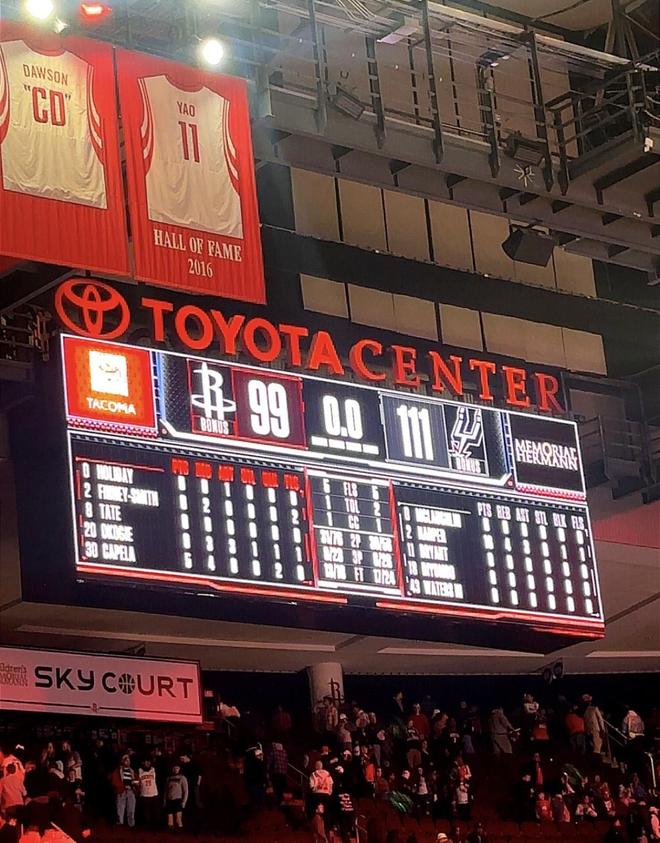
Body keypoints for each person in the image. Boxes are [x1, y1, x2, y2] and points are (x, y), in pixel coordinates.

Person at [111, 754, 137, 827]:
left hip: (130, 791)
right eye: (126, 760)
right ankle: (120, 823)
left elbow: (135, 780)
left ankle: (131, 824)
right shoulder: (118, 770)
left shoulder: (131, 771)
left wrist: (135, 785)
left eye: (129, 760)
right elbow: (114, 781)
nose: (128, 762)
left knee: (131, 808)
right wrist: (122, 786)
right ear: (122, 761)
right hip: (122, 791)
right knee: (120, 808)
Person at [164, 764, 188, 830]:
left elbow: (186, 791)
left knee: (178, 817)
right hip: (169, 800)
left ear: (179, 769)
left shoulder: (182, 778)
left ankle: (180, 830)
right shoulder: (169, 778)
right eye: (174, 768)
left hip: (178, 799)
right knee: (170, 817)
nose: (175, 769)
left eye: (177, 768)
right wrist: (164, 800)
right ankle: (171, 830)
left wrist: (184, 802)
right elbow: (166, 790)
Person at [138, 758, 159, 828]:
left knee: (155, 811)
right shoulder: (140, 771)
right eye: (146, 762)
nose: (148, 763)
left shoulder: (153, 770)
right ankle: (147, 825)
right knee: (146, 812)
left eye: (149, 762)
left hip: (153, 794)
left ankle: (155, 826)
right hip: (144, 794)